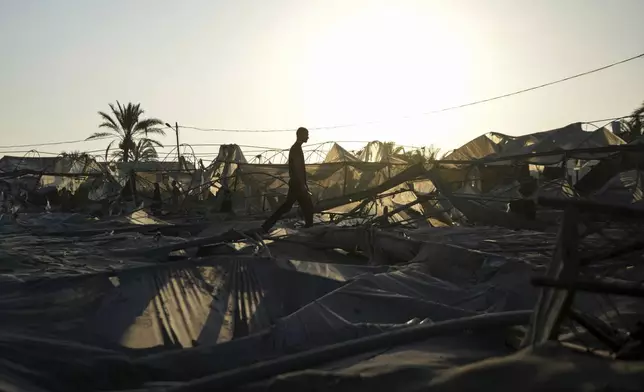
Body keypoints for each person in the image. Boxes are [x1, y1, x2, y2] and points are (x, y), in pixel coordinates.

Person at [262, 127, 314, 231]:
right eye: (306, 134)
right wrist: (302, 185)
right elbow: (298, 167)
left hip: (297, 184)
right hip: (297, 184)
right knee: (303, 207)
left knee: (300, 206)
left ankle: (266, 225)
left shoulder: (296, 148)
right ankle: (309, 228)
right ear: (300, 135)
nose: (308, 137)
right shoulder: (296, 149)